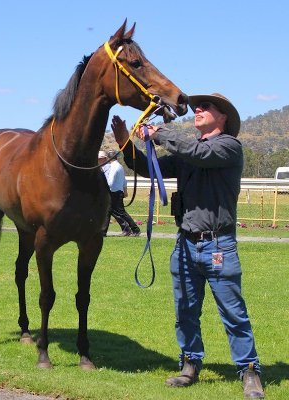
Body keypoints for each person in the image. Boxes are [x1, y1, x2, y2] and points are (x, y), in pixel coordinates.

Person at [111, 93, 264, 398]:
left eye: (206, 107)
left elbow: (197, 153)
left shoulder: (228, 147)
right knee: (185, 311)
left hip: (218, 245)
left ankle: (249, 372)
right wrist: (126, 144)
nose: (198, 109)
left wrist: (159, 133)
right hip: (185, 243)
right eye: (197, 106)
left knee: (233, 313)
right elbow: (147, 165)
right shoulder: (188, 153)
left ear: (223, 117)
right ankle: (190, 365)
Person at [98, 150, 141, 237]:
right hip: (117, 192)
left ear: (108, 158)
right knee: (109, 211)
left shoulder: (113, 167)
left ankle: (135, 229)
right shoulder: (120, 166)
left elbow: (110, 182)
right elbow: (124, 181)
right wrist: (124, 190)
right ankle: (103, 232)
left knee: (121, 213)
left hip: (114, 193)